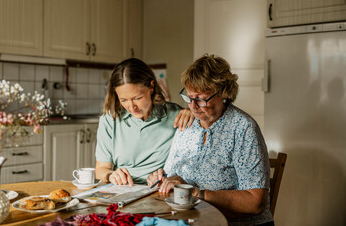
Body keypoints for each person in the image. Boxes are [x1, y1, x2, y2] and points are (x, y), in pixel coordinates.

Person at [147, 54, 274, 226]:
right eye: (189, 97)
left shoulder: (243, 128)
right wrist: (164, 179)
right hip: (194, 219)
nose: (192, 105)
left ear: (224, 93)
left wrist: (196, 193)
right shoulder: (188, 124)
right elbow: (173, 174)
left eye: (200, 98)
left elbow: (255, 201)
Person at [95, 58, 193, 186]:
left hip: (159, 190)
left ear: (151, 87)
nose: (132, 107)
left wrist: (194, 113)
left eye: (137, 98)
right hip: (122, 189)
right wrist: (111, 175)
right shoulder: (109, 120)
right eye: (124, 100)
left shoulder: (176, 116)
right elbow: (101, 169)